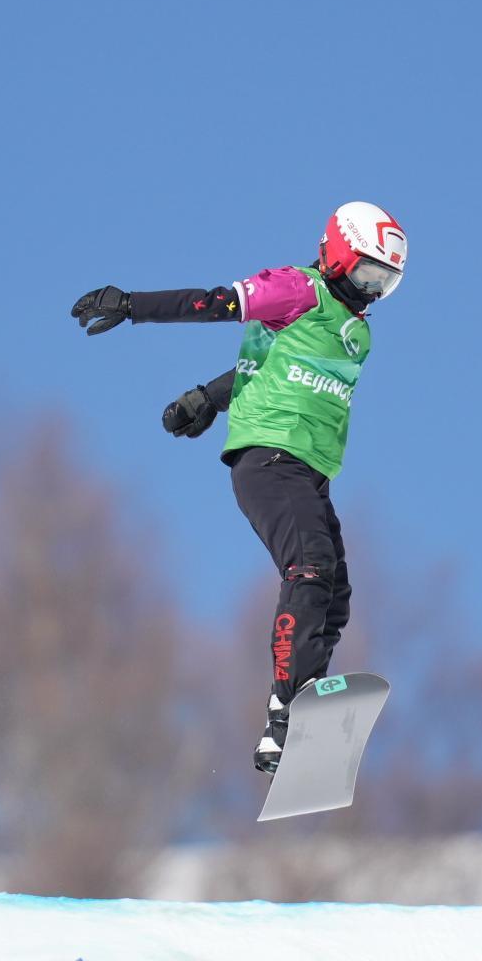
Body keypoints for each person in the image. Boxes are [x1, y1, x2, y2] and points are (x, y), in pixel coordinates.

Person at [71, 202, 408, 773]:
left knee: (336, 595)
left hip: (308, 471)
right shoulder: (296, 289)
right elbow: (213, 303)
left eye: (384, 283)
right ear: (338, 254)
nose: (370, 291)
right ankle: (287, 708)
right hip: (271, 461)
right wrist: (132, 306)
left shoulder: (355, 333)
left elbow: (270, 366)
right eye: (365, 274)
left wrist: (207, 397)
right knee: (309, 567)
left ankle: (306, 709)